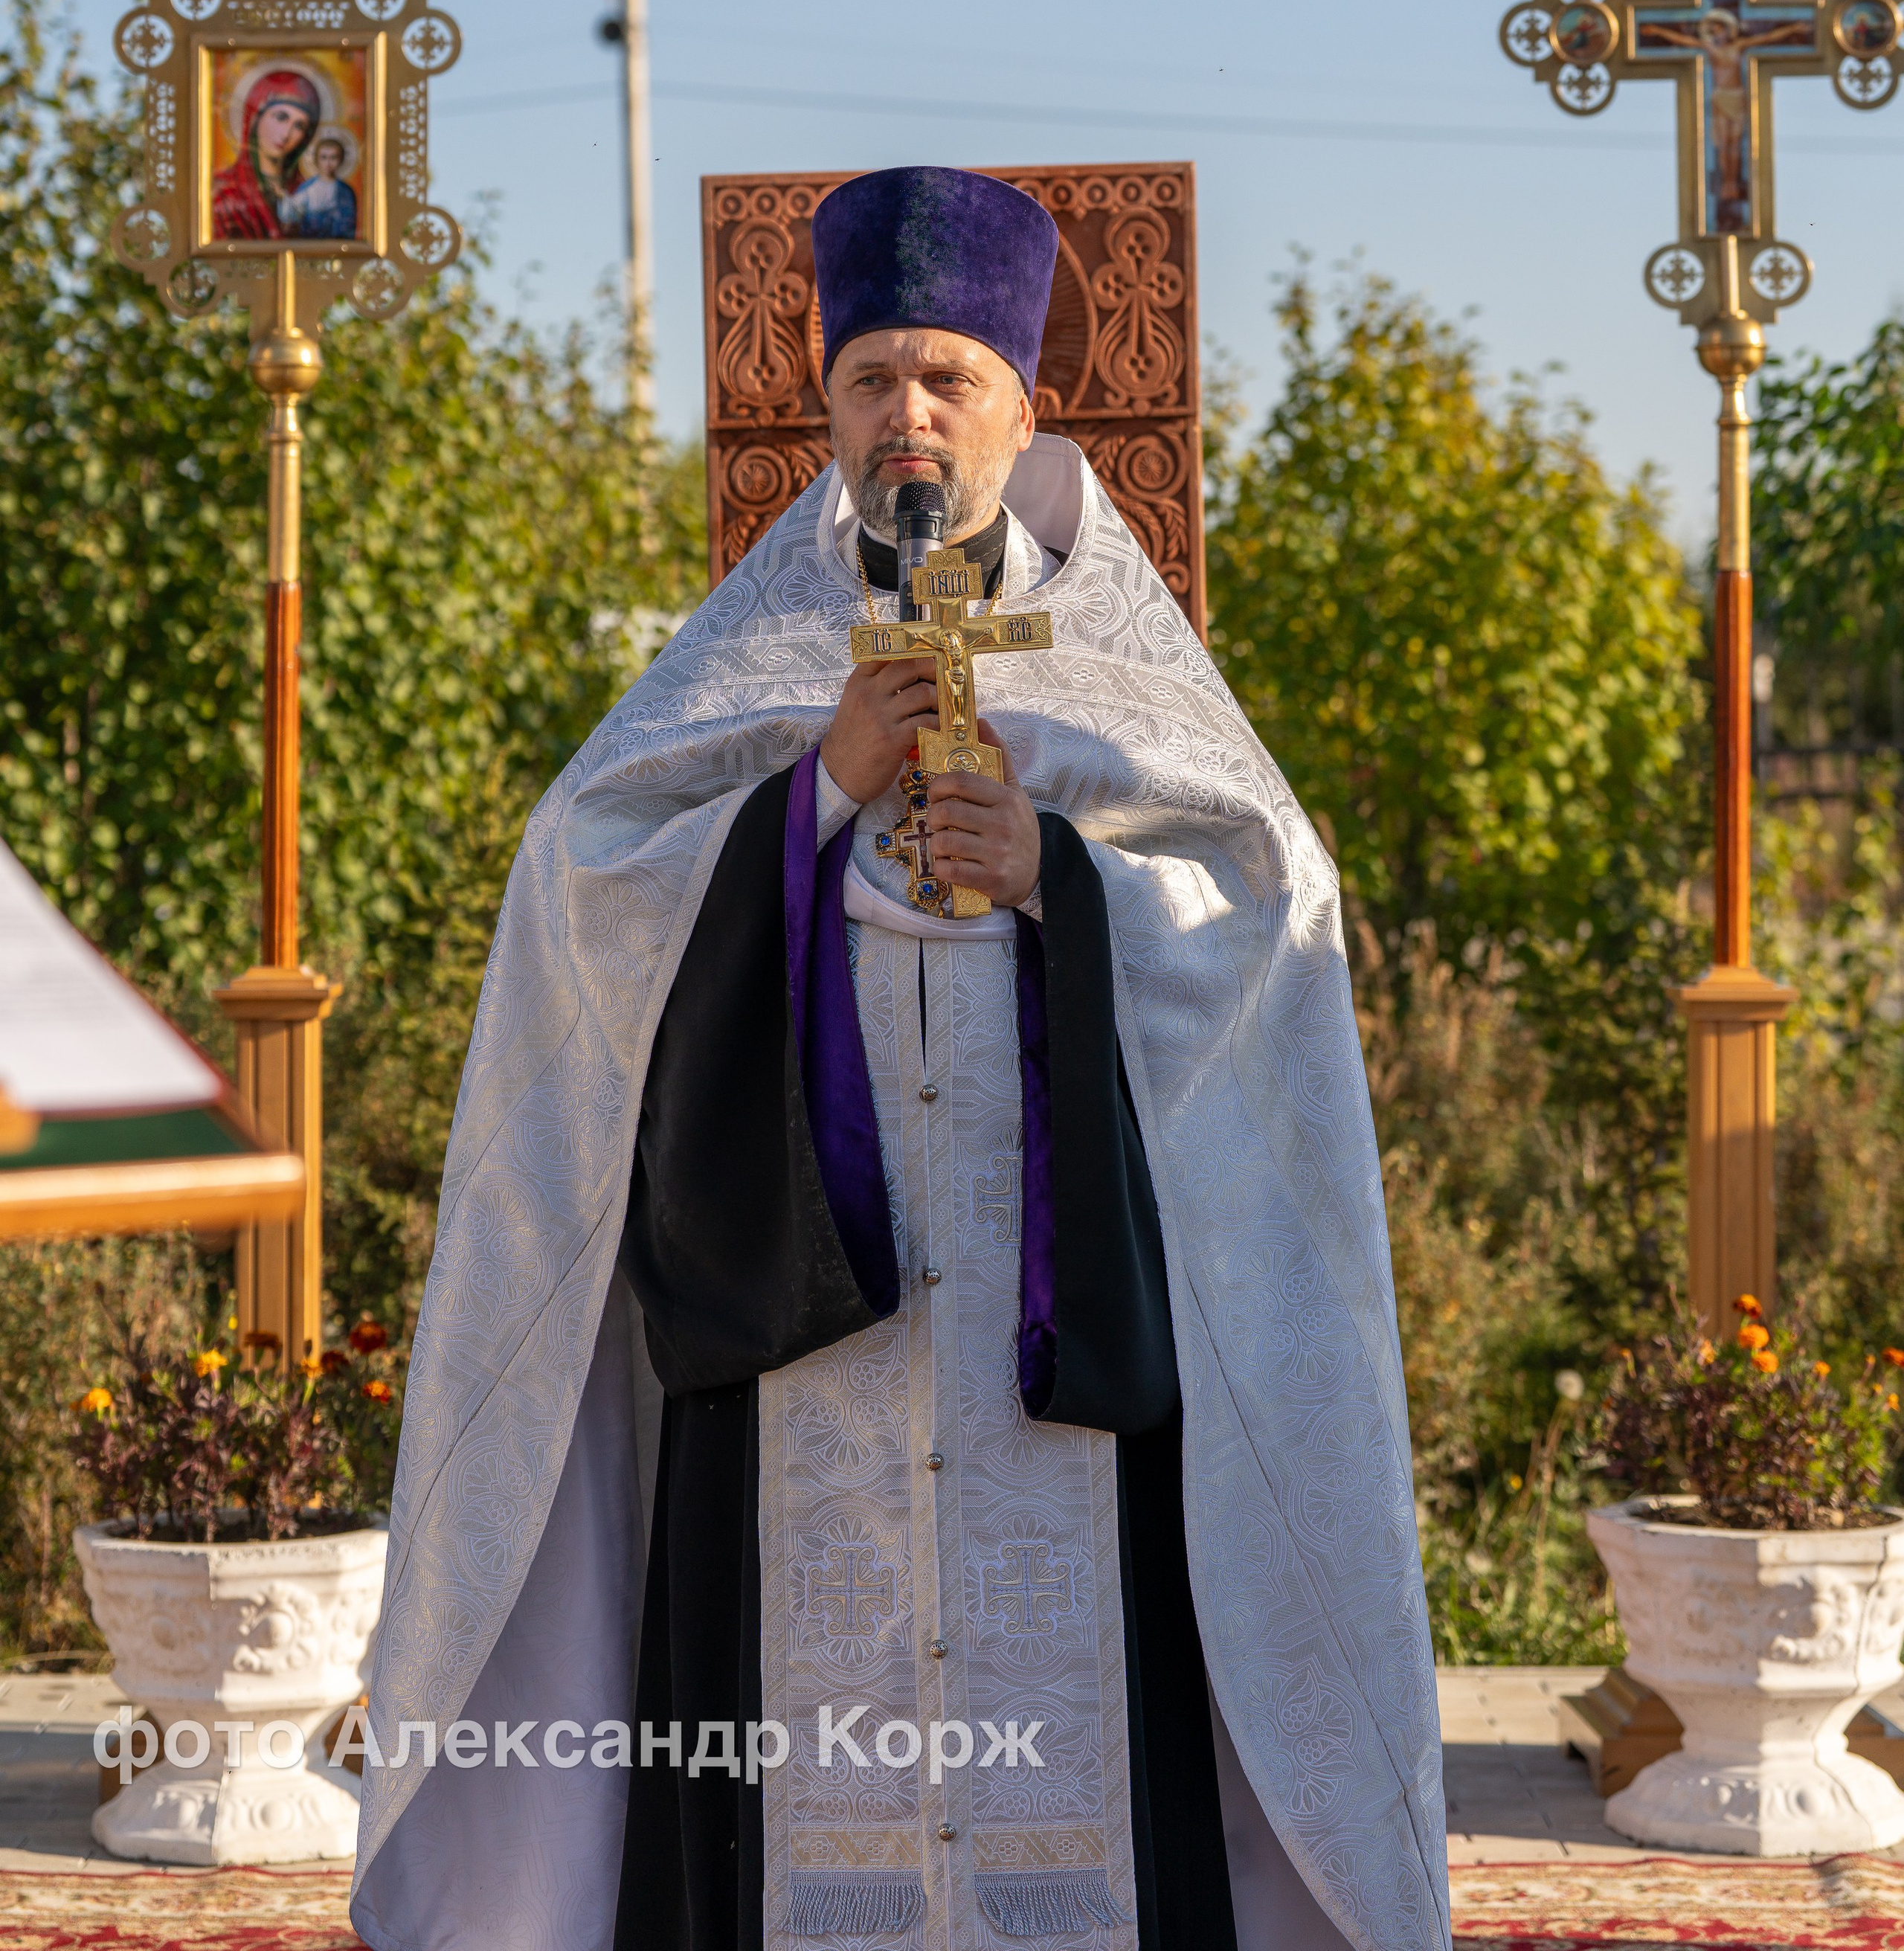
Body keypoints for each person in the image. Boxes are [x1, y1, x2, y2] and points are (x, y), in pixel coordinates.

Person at [352, 165, 1448, 1951]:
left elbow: (1267, 922)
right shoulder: (747, 659)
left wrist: (1059, 875)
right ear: (827, 413)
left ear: (1024, 413)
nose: (905, 413)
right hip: (803, 1342)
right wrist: (816, 796)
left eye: (945, 377)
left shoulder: (1124, 668)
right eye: (869, 379)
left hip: (1052, 1338)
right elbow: (582, 890)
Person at [210, 68, 321, 239]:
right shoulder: (222, 192)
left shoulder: (309, 193)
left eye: (299, 126)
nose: (286, 134)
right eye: (281, 117)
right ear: (255, 117)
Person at [280, 133, 358, 239]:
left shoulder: (346, 191)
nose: (328, 163)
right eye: (324, 157)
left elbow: (349, 223)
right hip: (311, 242)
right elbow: (292, 215)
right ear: (317, 159)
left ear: (341, 160)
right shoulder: (307, 188)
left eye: (333, 158)